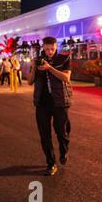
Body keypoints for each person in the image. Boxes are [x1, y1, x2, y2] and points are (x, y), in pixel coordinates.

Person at [27, 36, 72, 176]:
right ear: (43, 48)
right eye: (46, 49)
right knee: (44, 135)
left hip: (60, 103)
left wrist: (49, 68)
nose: (49, 52)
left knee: (61, 132)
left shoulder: (63, 59)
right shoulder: (38, 60)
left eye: (52, 49)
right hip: (42, 103)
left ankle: (64, 151)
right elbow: (29, 81)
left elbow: (66, 78)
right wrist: (34, 67)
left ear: (56, 47)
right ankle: (51, 163)